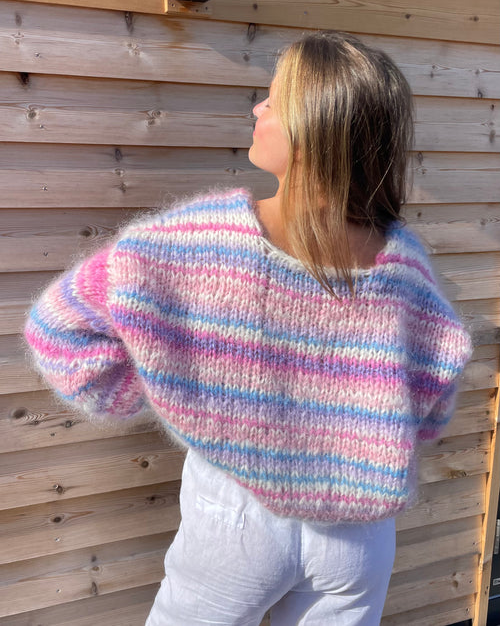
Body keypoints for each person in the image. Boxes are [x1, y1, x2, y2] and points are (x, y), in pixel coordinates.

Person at [25, 31, 472, 625]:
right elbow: (433, 399)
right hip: (359, 539)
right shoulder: (404, 264)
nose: (258, 109)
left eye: (274, 100)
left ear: (314, 128)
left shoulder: (197, 241)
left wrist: (162, 388)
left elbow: (58, 329)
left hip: (235, 517)